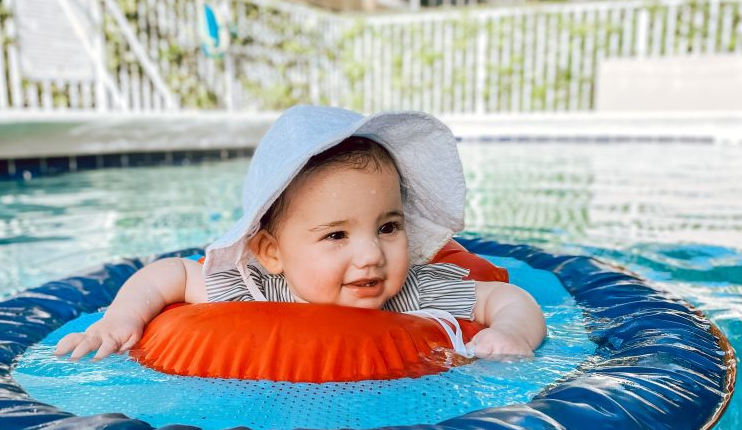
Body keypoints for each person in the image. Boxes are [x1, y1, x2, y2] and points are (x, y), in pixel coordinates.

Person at [55, 105, 546, 362]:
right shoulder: (256, 288)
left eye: (388, 227)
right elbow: (171, 274)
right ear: (271, 252)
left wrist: (510, 333)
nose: (371, 255)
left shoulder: (415, 291)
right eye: (336, 236)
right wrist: (121, 319)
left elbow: (506, 298)